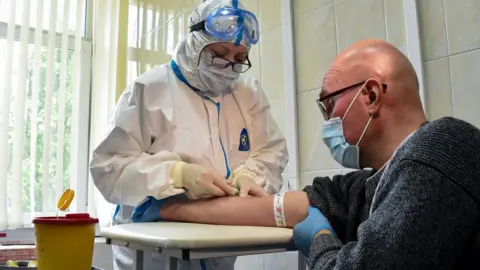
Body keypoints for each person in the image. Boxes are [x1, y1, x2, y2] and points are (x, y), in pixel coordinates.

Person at [157, 39, 480, 269]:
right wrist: (169, 209)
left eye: (329, 104)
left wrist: (321, 241)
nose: (327, 121)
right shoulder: (378, 181)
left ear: (370, 95)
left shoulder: (442, 146)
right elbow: (301, 205)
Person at [89, 0, 288, 269]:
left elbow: (272, 150)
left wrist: (249, 175)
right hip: (152, 258)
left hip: (218, 251)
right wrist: (177, 174)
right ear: (196, 41)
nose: (228, 65)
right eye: (219, 53)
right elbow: (108, 168)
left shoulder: (247, 93)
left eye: (240, 58)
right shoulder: (150, 90)